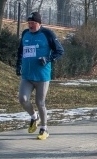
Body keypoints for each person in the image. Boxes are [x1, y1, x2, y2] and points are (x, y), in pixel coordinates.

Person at [16, 11, 65, 140]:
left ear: (39, 23)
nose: (30, 25)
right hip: (27, 75)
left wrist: (47, 59)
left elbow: (60, 51)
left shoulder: (47, 34)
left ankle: (44, 128)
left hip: (42, 76)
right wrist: (18, 65)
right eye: (29, 23)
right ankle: (34, 117)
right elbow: (20, 51)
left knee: (40, 102)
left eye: (33, 23)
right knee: (22, 99)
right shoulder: (25, 34)